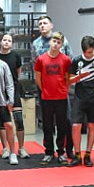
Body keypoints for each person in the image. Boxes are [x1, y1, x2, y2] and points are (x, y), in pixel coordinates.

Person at [34, 31, 74, 165]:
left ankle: (61, 152)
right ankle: (49, 152)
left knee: (62, 126)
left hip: (61, 97)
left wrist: (63, 89)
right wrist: (45, 90)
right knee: (47, 126)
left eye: (58, 42)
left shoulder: (66, 60)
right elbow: (38, 78)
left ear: (62, 45)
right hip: (47, 97)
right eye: (54, 41)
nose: (55, 44)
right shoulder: (41, 59)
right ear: (50, 42)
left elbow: (68, 78)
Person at [67, 35, 94, 167]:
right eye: (86, 52)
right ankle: (77, 154)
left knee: (92, 126)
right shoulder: (76, 60)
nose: (88, 54)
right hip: (79, 97)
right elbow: (69, 80)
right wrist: (79, 76)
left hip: (93, 98)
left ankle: (88, 154)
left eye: (90, 52)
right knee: (76, 126)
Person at [0, 33, 29, 159]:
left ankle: (21, 148)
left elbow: (18, 72)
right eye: (4, 40)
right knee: (3, 121)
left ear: (12, 43)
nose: (6, 42)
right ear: (0, 41)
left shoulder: (16, 55)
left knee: (19, 120)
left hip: (14, 90)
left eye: (9, 40)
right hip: (0, 91)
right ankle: (5, 148)